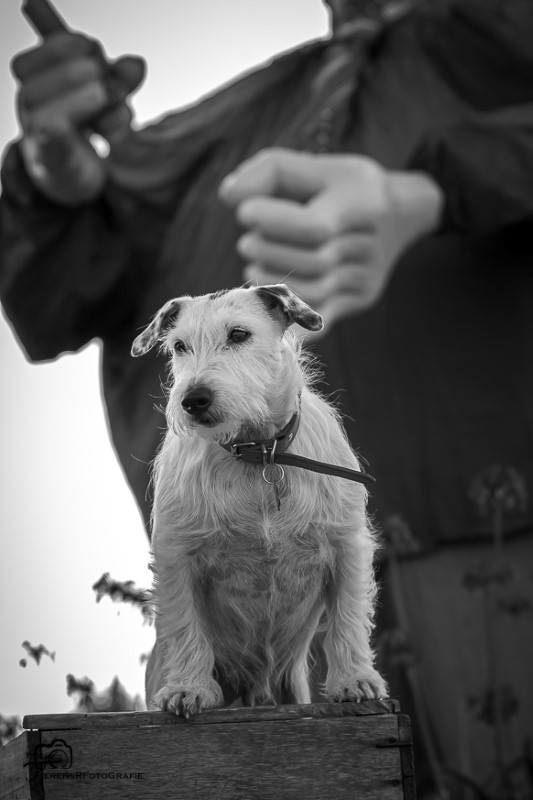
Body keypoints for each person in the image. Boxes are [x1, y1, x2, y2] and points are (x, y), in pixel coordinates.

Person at [2, 0, 533, 796]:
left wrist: (430, 190)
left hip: (492, 548)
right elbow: (56, 304)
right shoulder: (218, 124)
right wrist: (55, 183)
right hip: (244, 591)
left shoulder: (505, 36)